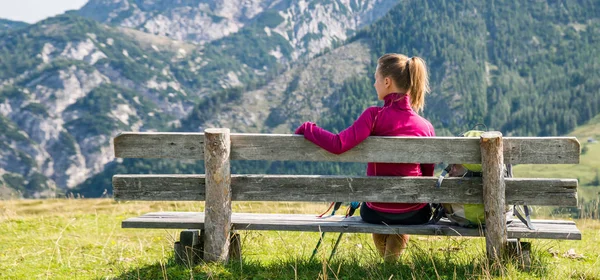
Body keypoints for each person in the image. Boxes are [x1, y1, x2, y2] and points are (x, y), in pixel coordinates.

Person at [294, 53, 436, 263]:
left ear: (387, 82)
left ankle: (388, 267)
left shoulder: (374, 116)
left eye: (376, 78)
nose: (374, 83)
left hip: (376, 212)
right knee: (404, 206)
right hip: (415, 213)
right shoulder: (425, 127)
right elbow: (427, 176)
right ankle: (390, 266)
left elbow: (338, 145)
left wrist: (308, 129)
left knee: (374, 205)